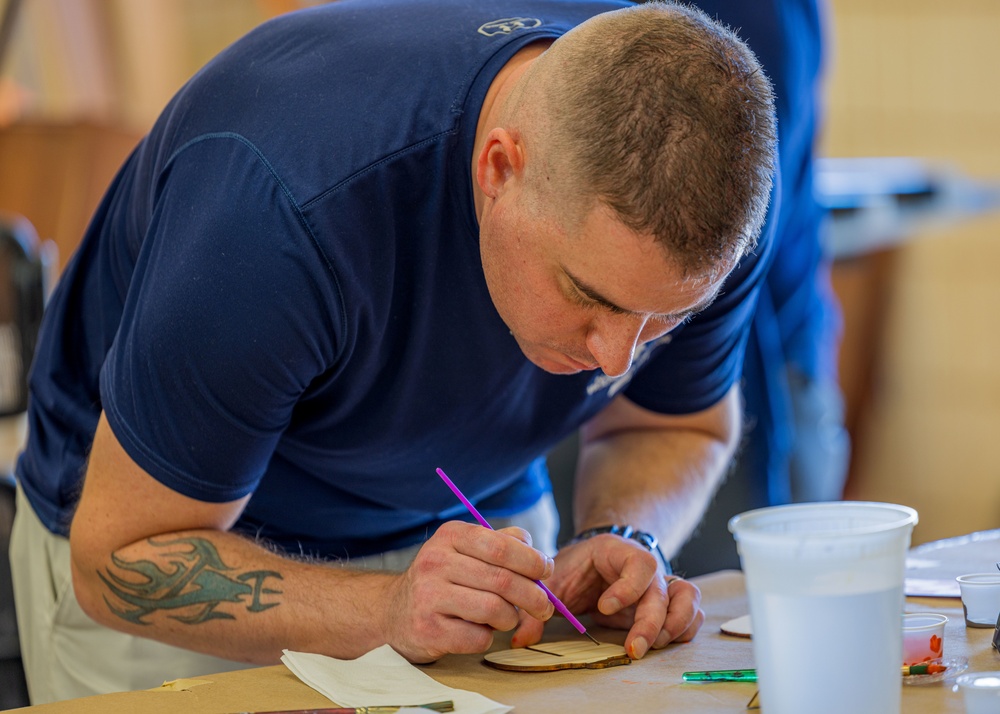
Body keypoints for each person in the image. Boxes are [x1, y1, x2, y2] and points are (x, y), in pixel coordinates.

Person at [9, 0, 777, 704]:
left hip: (473, 537)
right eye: (591, 298)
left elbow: (671, 425)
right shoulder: (279, 212)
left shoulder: (702, 203)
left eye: (662, 320)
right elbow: (117, 561)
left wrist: (619, 532)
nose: (617, 361)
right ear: (499, 171)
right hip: (188, 549)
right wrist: (387, 606)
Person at [671, 0, 850, 576]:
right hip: (664, 362)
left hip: (752, 365)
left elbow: (732, 222)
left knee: (731, 617)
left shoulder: (754, 16)